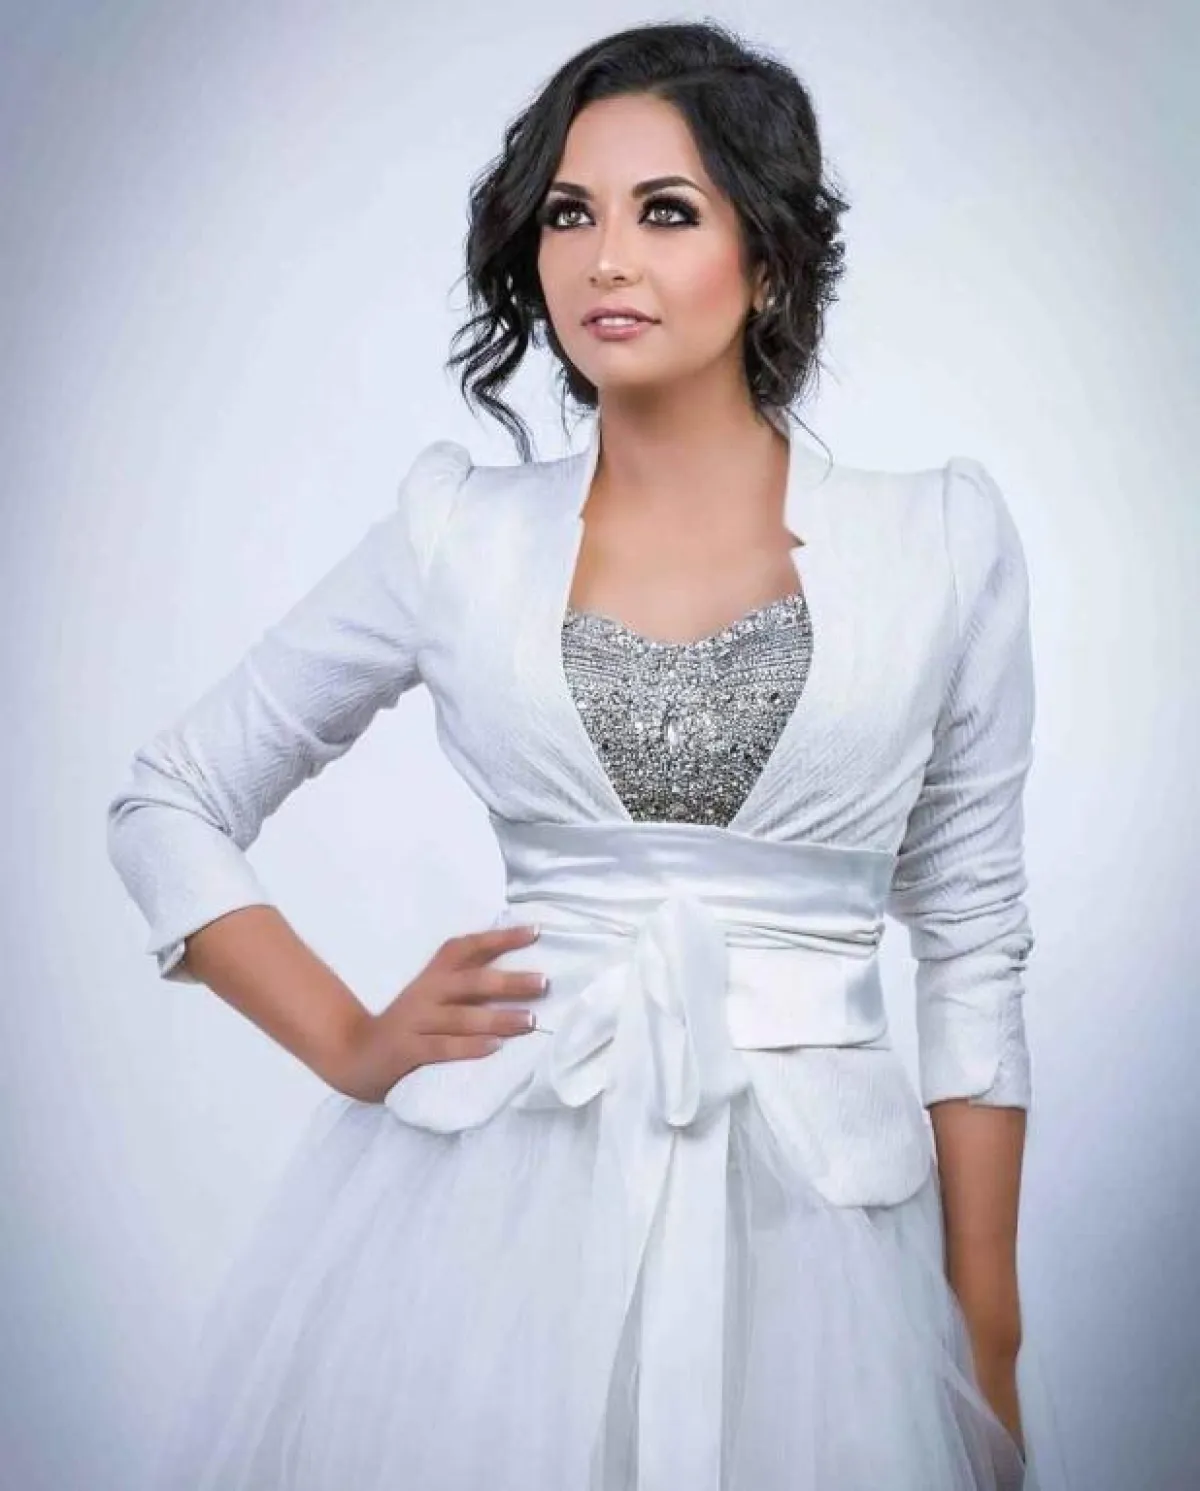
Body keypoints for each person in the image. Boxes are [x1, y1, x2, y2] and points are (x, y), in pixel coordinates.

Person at [107, 20, 1053, 1490]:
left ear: (770, 257)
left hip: (826, 1238)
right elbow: (169, 798)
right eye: (569, 213)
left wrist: (986, 1321)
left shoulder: (939, 539)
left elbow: (974, 936)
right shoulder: (456, 533)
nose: (606, 258)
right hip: (495, 1218)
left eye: (665, 211)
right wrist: (351, 1042)